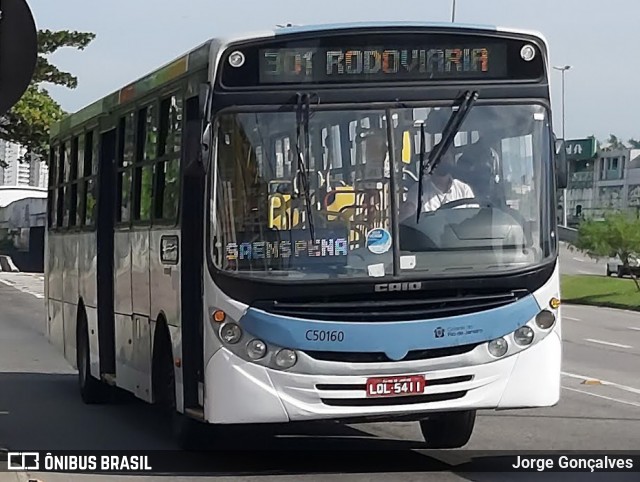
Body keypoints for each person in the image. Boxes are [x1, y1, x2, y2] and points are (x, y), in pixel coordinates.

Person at [399, 148, 475, 222]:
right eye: (439, 159)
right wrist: (408, 211)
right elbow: (405, 221)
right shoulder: (418, 192)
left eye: (447, 158)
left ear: (453, 161)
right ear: (431, 163)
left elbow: (474, 218)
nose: (443, 161)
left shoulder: (464, 190)